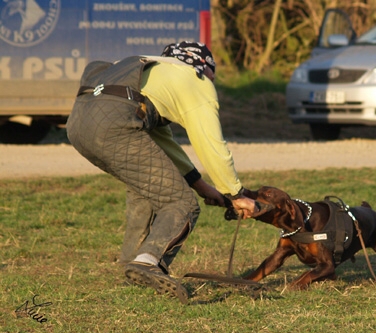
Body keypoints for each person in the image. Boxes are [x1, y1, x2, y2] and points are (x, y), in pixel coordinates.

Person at [66, 41, 258, 301]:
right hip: (115, 121)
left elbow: (165, 145)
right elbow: (211, 143)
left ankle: (131, 267)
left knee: (144, 191)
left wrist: (205, 188)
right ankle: (147, 262)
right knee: (181, 203)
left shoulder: (151, 74)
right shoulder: (194, 78)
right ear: (201, 65)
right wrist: (236, 193)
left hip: (79, 124)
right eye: (212, 73)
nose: (212, 81)